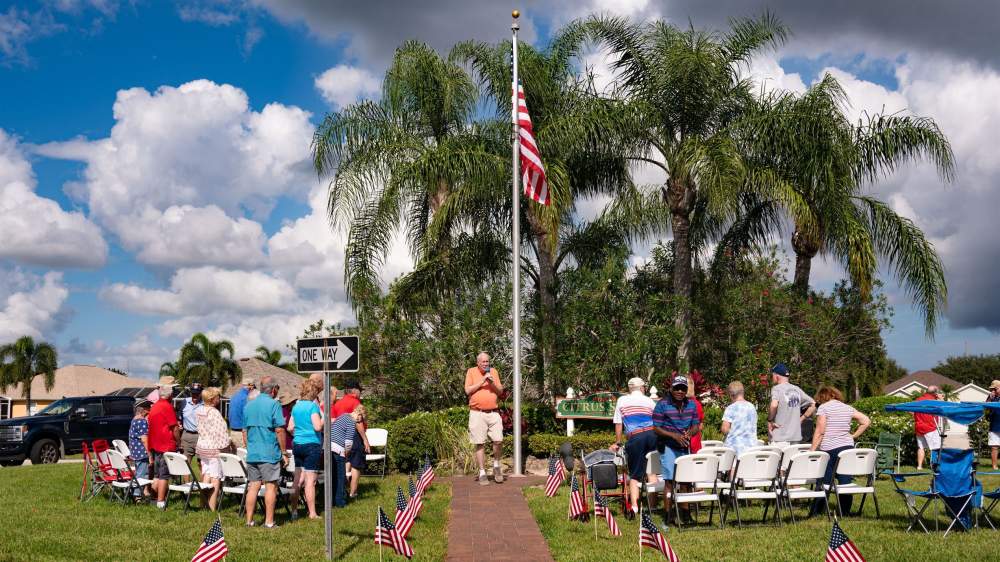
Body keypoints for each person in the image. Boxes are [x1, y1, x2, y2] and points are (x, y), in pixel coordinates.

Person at [809, 386, 870, 516]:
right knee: (845, 480)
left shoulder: (824, 408)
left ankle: (817, 511)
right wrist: (853, 436)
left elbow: (820, 431)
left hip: (830, 448)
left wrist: (812, 450)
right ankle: (845, 511)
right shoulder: (847, 408)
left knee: (824, 481)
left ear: (822, 397)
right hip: (847, 449)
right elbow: (866, 421)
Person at [243, 376, 289, 528]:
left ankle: (249, 520)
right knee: (271, 486)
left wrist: (249, 447)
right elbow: (280, 429)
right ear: (274, 389)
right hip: (268, 452)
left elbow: (245, 430)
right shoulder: (274, 405)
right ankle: (269, 522)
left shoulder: (249, 405)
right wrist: (284, 452)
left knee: (253, 486)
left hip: (252, 452)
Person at [652, 375, 700, 519]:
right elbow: (656, 428)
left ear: (686, 390)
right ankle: (668, 514)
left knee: (685, 480)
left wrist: (690, 432)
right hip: (667, 446)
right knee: (670, 480)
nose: (680, 391)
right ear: (671, 389)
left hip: (684, 446)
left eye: (683, 388)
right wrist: (674, 436)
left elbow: (696, 425)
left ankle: (685, 513)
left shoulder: (691, 404)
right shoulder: (662, 404)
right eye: (677, 388)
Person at [610, 377, 657, 517]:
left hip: (635, 437)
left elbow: (618, 424)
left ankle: (635, 506)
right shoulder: (649, 401)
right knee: (652, 471)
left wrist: (618, 442)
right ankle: (652, 506)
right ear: (642, 388)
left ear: (630, 388)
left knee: (635, 474)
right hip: (652, 435)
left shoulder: (622, 401)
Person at [464, 352, 505, 485]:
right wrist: (482, 381)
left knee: (498, 440)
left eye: (488, 361)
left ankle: (496, 465)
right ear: (478, 363)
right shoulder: (471, 372)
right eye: (483, 362)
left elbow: (500, 391)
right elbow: (467, 390)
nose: (486, 364)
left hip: (493, 412)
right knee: (479, 442)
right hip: (477, 413)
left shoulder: (494, 371)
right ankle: (482, 473)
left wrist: (491, 383)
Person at [288, 379, 323, 519]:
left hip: (297, 444)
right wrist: (325, 417)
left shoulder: (296, 406)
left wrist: (299, 433)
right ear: (314, 392)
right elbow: (317, 427)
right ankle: (312, 513)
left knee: (297, 479)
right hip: (311, 444)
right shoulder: (312, 406)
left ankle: (294, 511)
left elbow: (290, 427)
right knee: (310, 481)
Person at [332, 379, 370, 498]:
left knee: (346, 461)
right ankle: (353, 492)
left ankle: (343, 489)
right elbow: (358, 422)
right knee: (356, 464)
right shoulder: (355, 403)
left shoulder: (337, 404)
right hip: (354, 436)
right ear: (354, 390)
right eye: (359, 390)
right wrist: (365, 439)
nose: (360, 393)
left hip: (340, 436)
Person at [147, 379, 181, 510]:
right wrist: (178, 442)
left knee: (157, 474)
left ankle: (154, 498)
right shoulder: (167, 407)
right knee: (164, 475)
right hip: (166, 445)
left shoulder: (154, 406)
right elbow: (175, 428)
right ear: (170, 395)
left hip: (155, 445)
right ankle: (161, 502)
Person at [768, 363, 816, 445]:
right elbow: (813, 404)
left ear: (777, 376)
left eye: (772, 375)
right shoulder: (797, 389)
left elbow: (774, 405)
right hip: (796, 437)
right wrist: (802, 418)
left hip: (780, 437)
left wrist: (770, 420)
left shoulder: (777, 389)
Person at [331, 405, 364, 508]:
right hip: (338, 449)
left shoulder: (343, 416)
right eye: (360, 418)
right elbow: (349, 442)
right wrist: (346, 453)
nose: (359, 421)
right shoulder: (351, 421)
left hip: (329, 447)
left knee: (333, 476)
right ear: (358, 414)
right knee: (340, 477)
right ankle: (340, 501)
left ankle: (331, 500)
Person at [721, 381, 757, 457]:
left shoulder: (731, 408)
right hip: (751, 447)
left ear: (731, 395)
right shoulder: (752, 407)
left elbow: (725, 429)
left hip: (735, 449)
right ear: (743, 392)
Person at [179, 383, 205, 477]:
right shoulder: (184, 402)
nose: (195, 396)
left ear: (201, 393)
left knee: (201, 462)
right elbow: (179, 416)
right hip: (187, 435)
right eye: (193, 393)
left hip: (201, 436)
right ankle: (187, 489)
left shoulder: (204, 404)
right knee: (186, 462)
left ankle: (204, 486)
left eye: (197, 394)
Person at [914, 385, 942, 470]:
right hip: (930, 427)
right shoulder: (934, 401)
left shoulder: (918, 400)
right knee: (935, 447)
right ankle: (934, 466)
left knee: (921, 447)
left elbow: (910, 411)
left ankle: (919, 466)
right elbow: (944, 409)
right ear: (935, 393)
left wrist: (918, 418)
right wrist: (940, 399)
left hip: (919, 426)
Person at [127, 401, 151, 500]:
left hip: (135, 451)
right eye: (148, 408)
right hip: (141, 452)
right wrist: (149, 453)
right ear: (144, 410)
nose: (149, 410)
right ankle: (137, 495)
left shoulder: (134, 419)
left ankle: (141, 492)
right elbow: (144, 439)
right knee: (142, 473)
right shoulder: (141, 421)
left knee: (141, 472)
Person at [229, 378, 254, 448]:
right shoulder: (247, 398)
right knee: (244, 457)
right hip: (242, 434)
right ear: (250, 386)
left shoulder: (234, 396)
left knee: (235, 458)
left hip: (232, 432)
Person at [988, 380, 1000, 470]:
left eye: (995, 389)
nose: (993, 391)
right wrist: (990, 399)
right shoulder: (991, 397)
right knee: (994, 447)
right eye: (992, 389)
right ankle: (994, 466)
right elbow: (986, 408)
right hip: (994, 425)